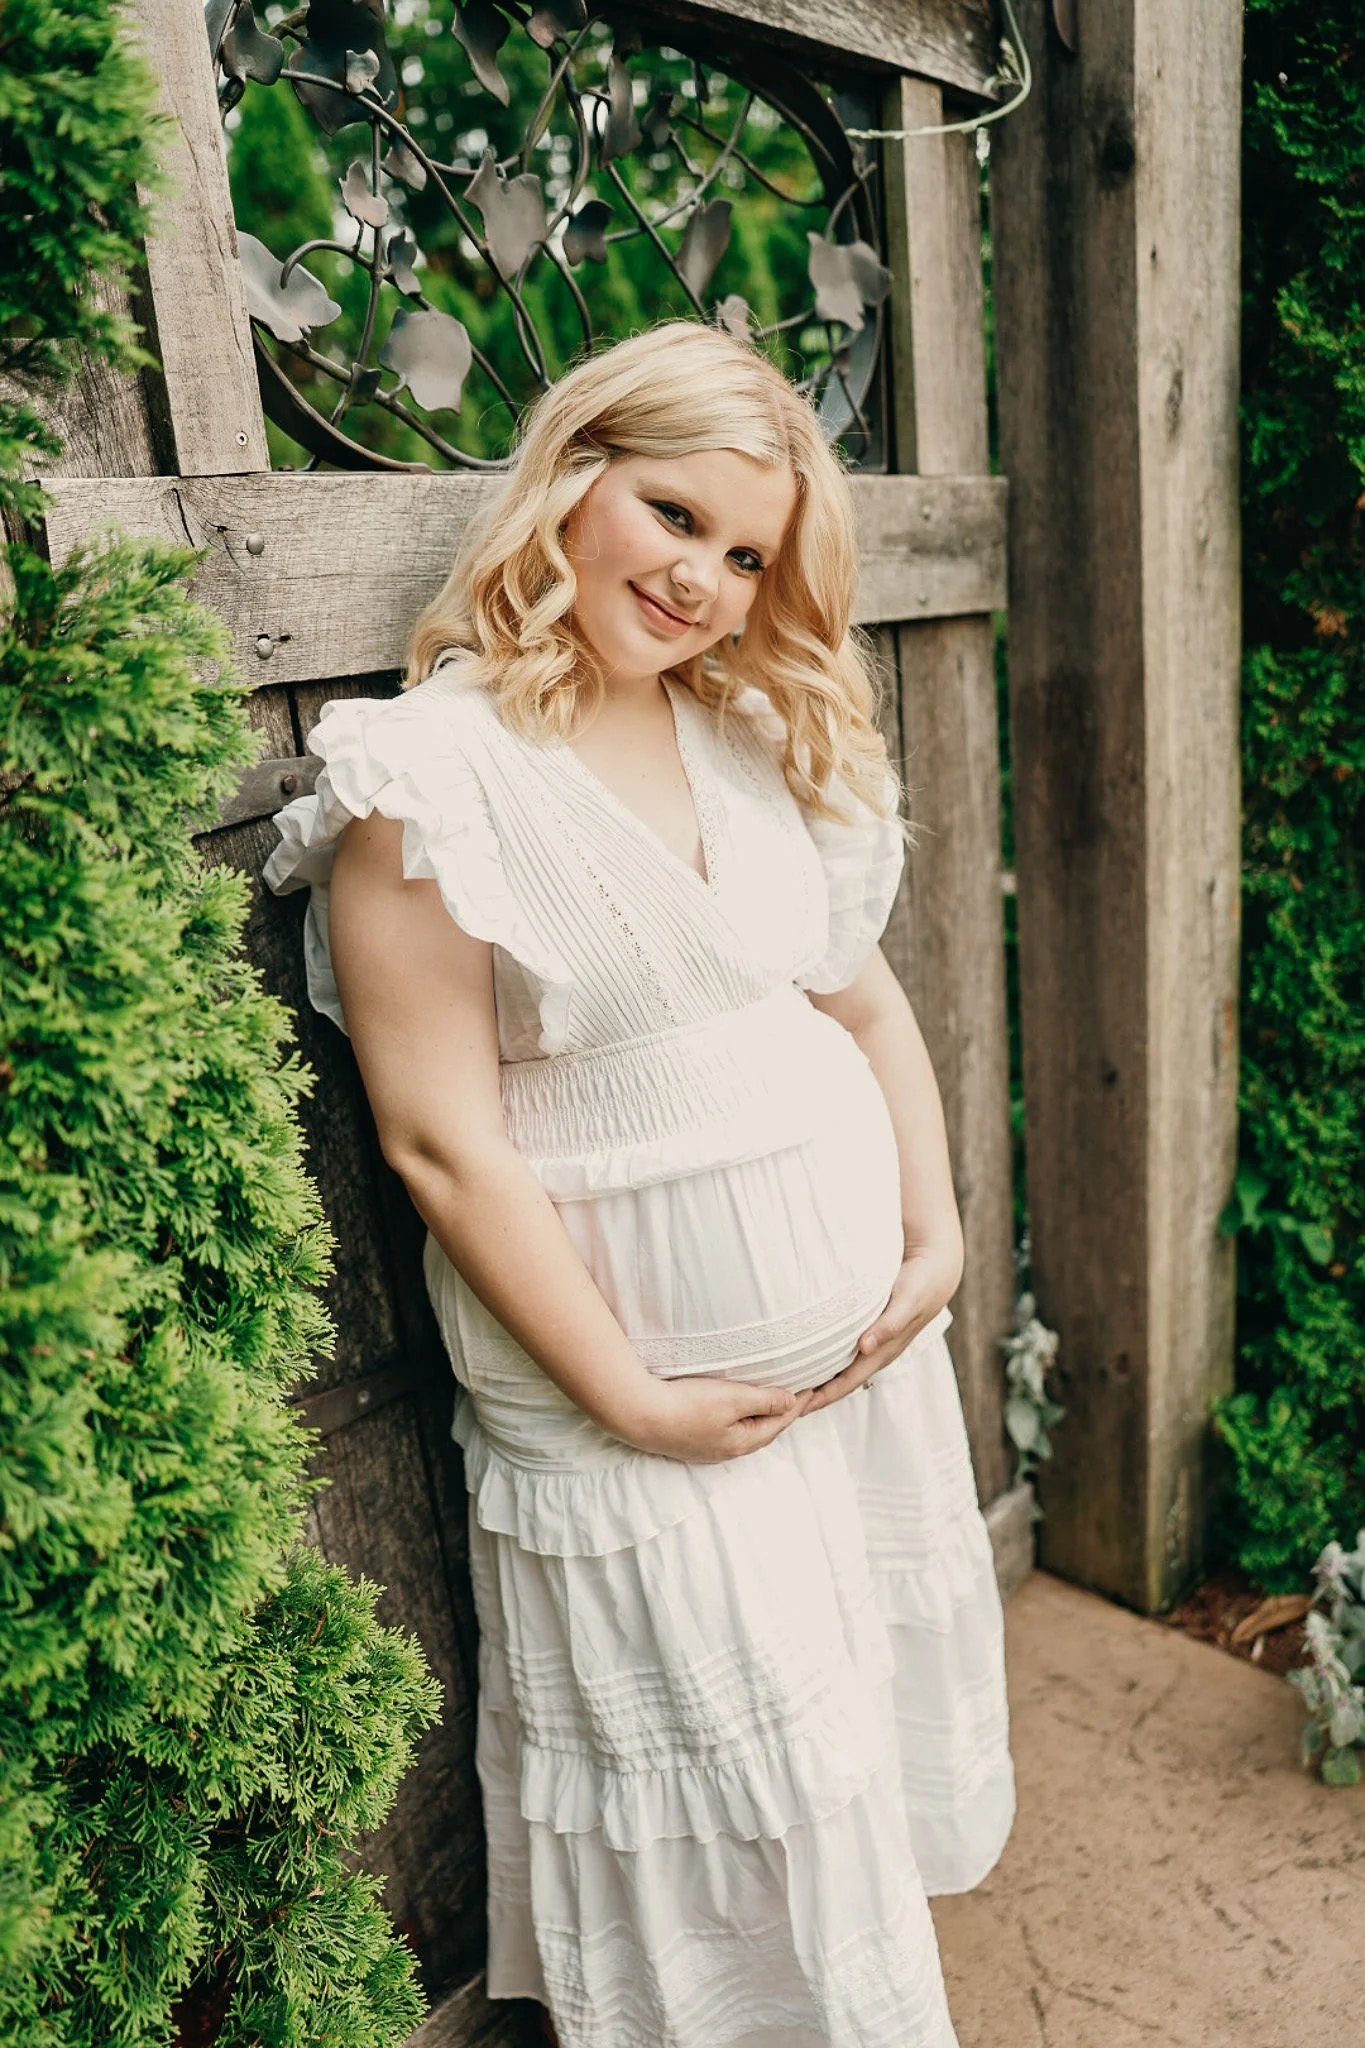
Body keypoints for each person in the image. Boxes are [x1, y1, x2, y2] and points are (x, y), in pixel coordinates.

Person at [263, 320, 1015, 2048]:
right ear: (573, 479)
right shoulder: (426, 781)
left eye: (747, 555)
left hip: (844, 1385)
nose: (704, 582)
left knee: (836, 1747)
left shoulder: (740, 737)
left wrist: (937, 1227)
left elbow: (866, 999)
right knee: (730, 1782)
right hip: (637, 1410)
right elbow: (440, 1141)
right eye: (674, 516)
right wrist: (635, 1398)